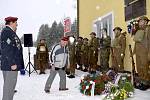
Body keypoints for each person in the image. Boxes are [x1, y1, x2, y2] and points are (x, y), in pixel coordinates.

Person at [1, 16, 24, 100]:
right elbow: (7, 49)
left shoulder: (10, 32)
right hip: (10, 65)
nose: (17, 25)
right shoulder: (7, 32)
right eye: (15, 23)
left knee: (10, 88)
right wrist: (12, 63)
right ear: (11, 22)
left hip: (11, 65)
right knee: (8, 89)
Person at [133, 16, 150, 90]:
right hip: (138, 52)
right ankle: (142, 81)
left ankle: (146, 82)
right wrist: (133, 52)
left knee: (145, 67)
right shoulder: (139, 31)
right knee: (139, 67)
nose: (139, 23)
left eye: (141, 21)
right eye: (139, 22)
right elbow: (136, 43)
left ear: (146, 22)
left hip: (145, 52)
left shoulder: (148, 30)